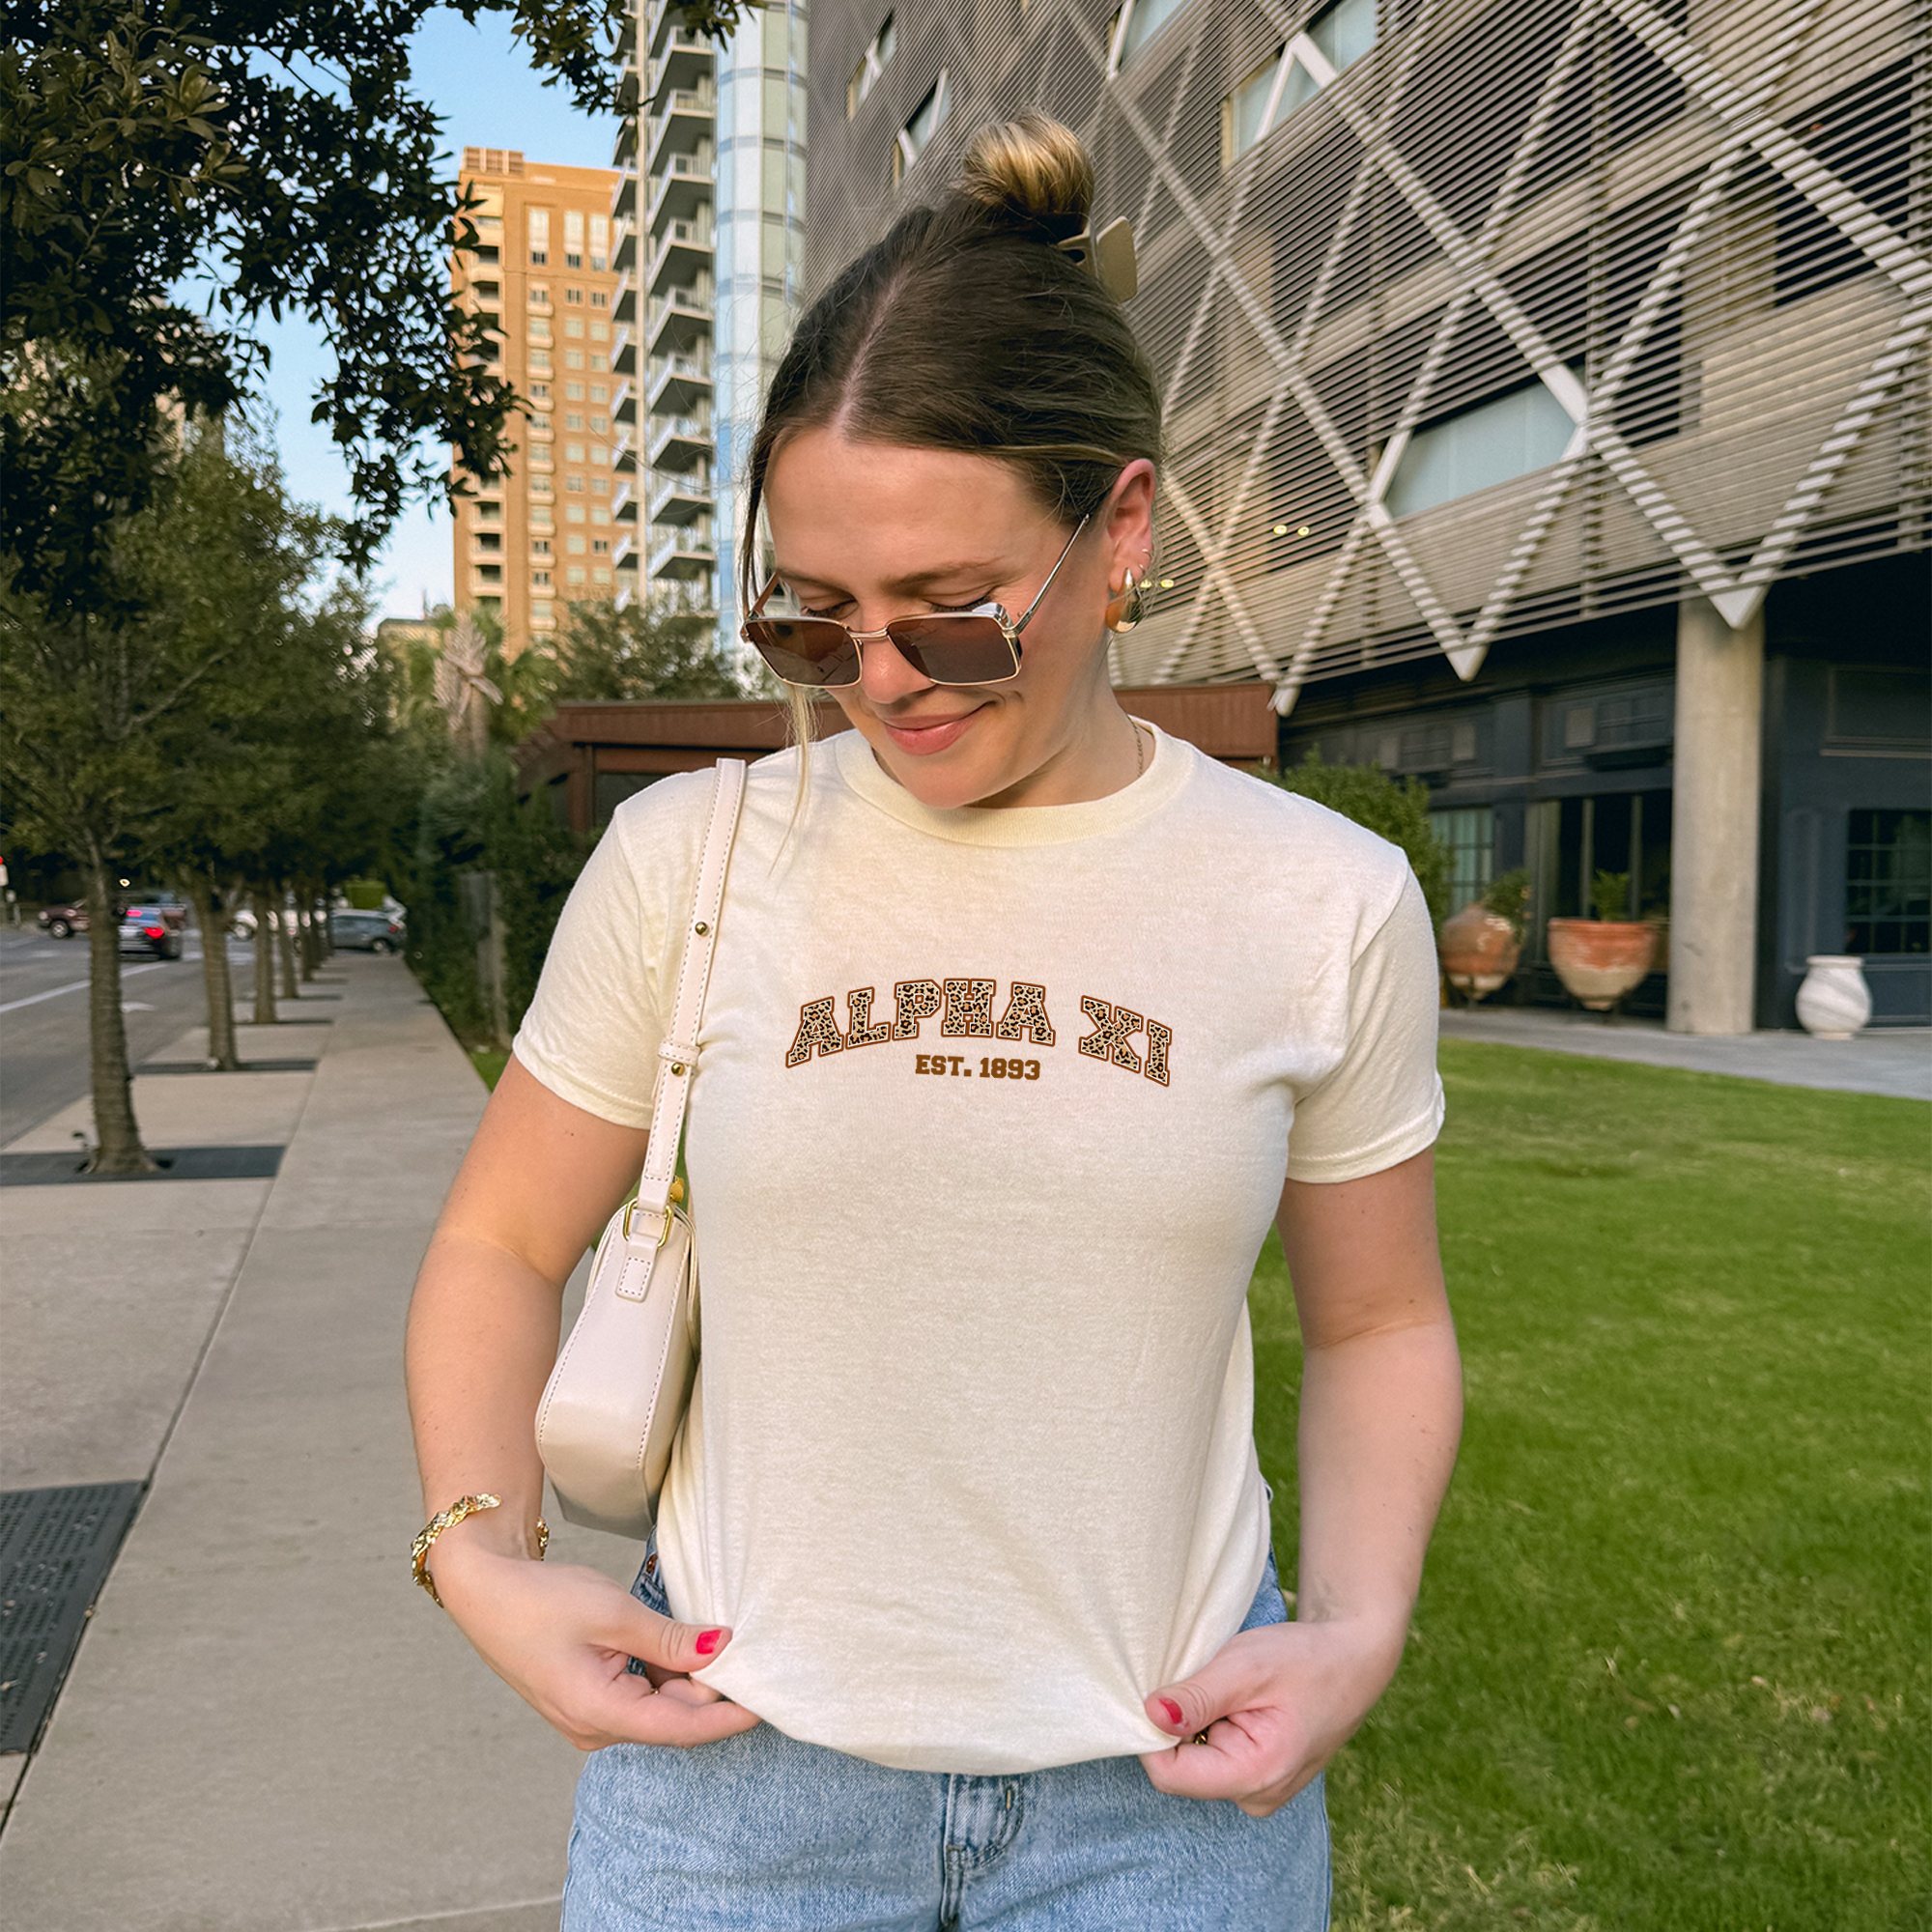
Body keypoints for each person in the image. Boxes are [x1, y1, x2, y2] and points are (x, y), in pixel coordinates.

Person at [406, 114, 1463, 1932]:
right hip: (730, 1783)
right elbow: (501, 1242)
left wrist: (1359, 1627)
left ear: (1121, 527)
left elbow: (1378, 1322)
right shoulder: (693, 860)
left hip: (1165, 1799)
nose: (885, 682)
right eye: (817, 622)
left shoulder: (1322, 902)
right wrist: (479, 1560)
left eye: (953, 617)